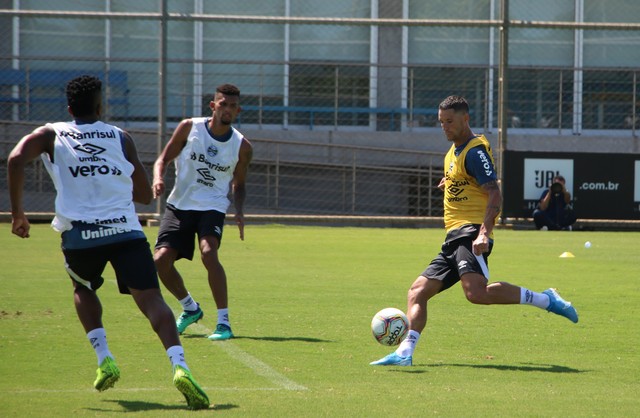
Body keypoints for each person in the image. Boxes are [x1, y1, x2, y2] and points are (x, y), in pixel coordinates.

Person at [7, 75, 210, 409]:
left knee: (83, 289)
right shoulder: (120, 136)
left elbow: (15, 159)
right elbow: (144, 195)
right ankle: (180, 367)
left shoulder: (50, 133)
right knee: (150, 298)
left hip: (81, 235)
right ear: (101, 106)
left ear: (69, 107)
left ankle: (104, 359)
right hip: (125, 231)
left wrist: (19, 215)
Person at [370, 95, 578, 367]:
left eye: (450, 121)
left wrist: (483, 233)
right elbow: (467, 181)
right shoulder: (452, 153)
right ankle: (404, 354)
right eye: (441, 122)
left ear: (465, 119)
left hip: (470, 232)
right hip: (453, 237)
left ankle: (545, 299)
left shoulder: (475, 151)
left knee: (476, 294)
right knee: (417, 292)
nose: (444, 126)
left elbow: (494, 195)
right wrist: (450, 182)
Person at [152, 83, 253, 341]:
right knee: (160, 261)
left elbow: (238, 184)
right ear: (213, 105)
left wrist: (239, 212)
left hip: (213, 205)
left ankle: (224, 323)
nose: (227, 110)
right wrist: (157, 178)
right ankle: (190, 308)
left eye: (232, 106)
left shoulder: (242, 146)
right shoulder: (190, 128)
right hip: (180, 205)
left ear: (238, 110)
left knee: (209, 252)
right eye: (223, 104)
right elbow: (163, 158)